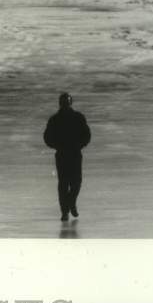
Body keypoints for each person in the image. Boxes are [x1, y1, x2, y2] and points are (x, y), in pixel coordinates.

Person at [43, 92, 91, 221]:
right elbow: (47, 137)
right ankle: (66, 210)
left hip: (70, 153)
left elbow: (86, 135)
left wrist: (77, 145)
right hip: (67, 154)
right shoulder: (57, 119)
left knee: (72, 183)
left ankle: (69, 205)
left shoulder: (76, 117)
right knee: (69, 183)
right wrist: (59, 146)